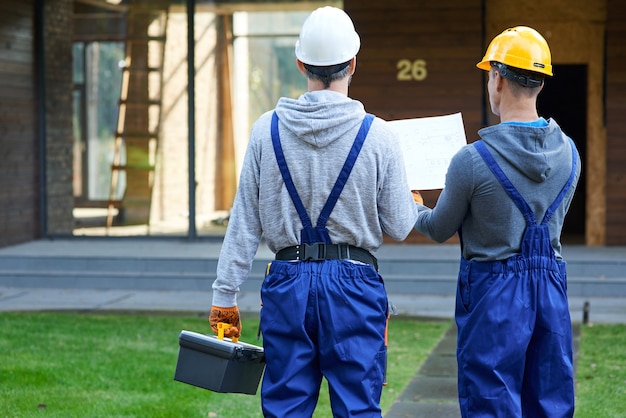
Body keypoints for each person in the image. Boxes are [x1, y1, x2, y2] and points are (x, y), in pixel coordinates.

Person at [208, 6, 418, 417]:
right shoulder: (380, 136)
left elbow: (245, 222)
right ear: (353, 63)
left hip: (288, 283)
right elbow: (400, 224)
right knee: (358, 408)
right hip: (355, 286)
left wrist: (225, 295)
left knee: (285, 407)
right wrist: (412, 201)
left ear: (300, 62)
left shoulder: (265, 131)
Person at [412, 26, 580, 417]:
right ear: (540, 82)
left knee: (491, 402)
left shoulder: (471, 160)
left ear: (497, 78)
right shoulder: (570, 152)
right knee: (550, 400)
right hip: (551, 293)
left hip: (493, 296)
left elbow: (437, 228)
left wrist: (414, 205)